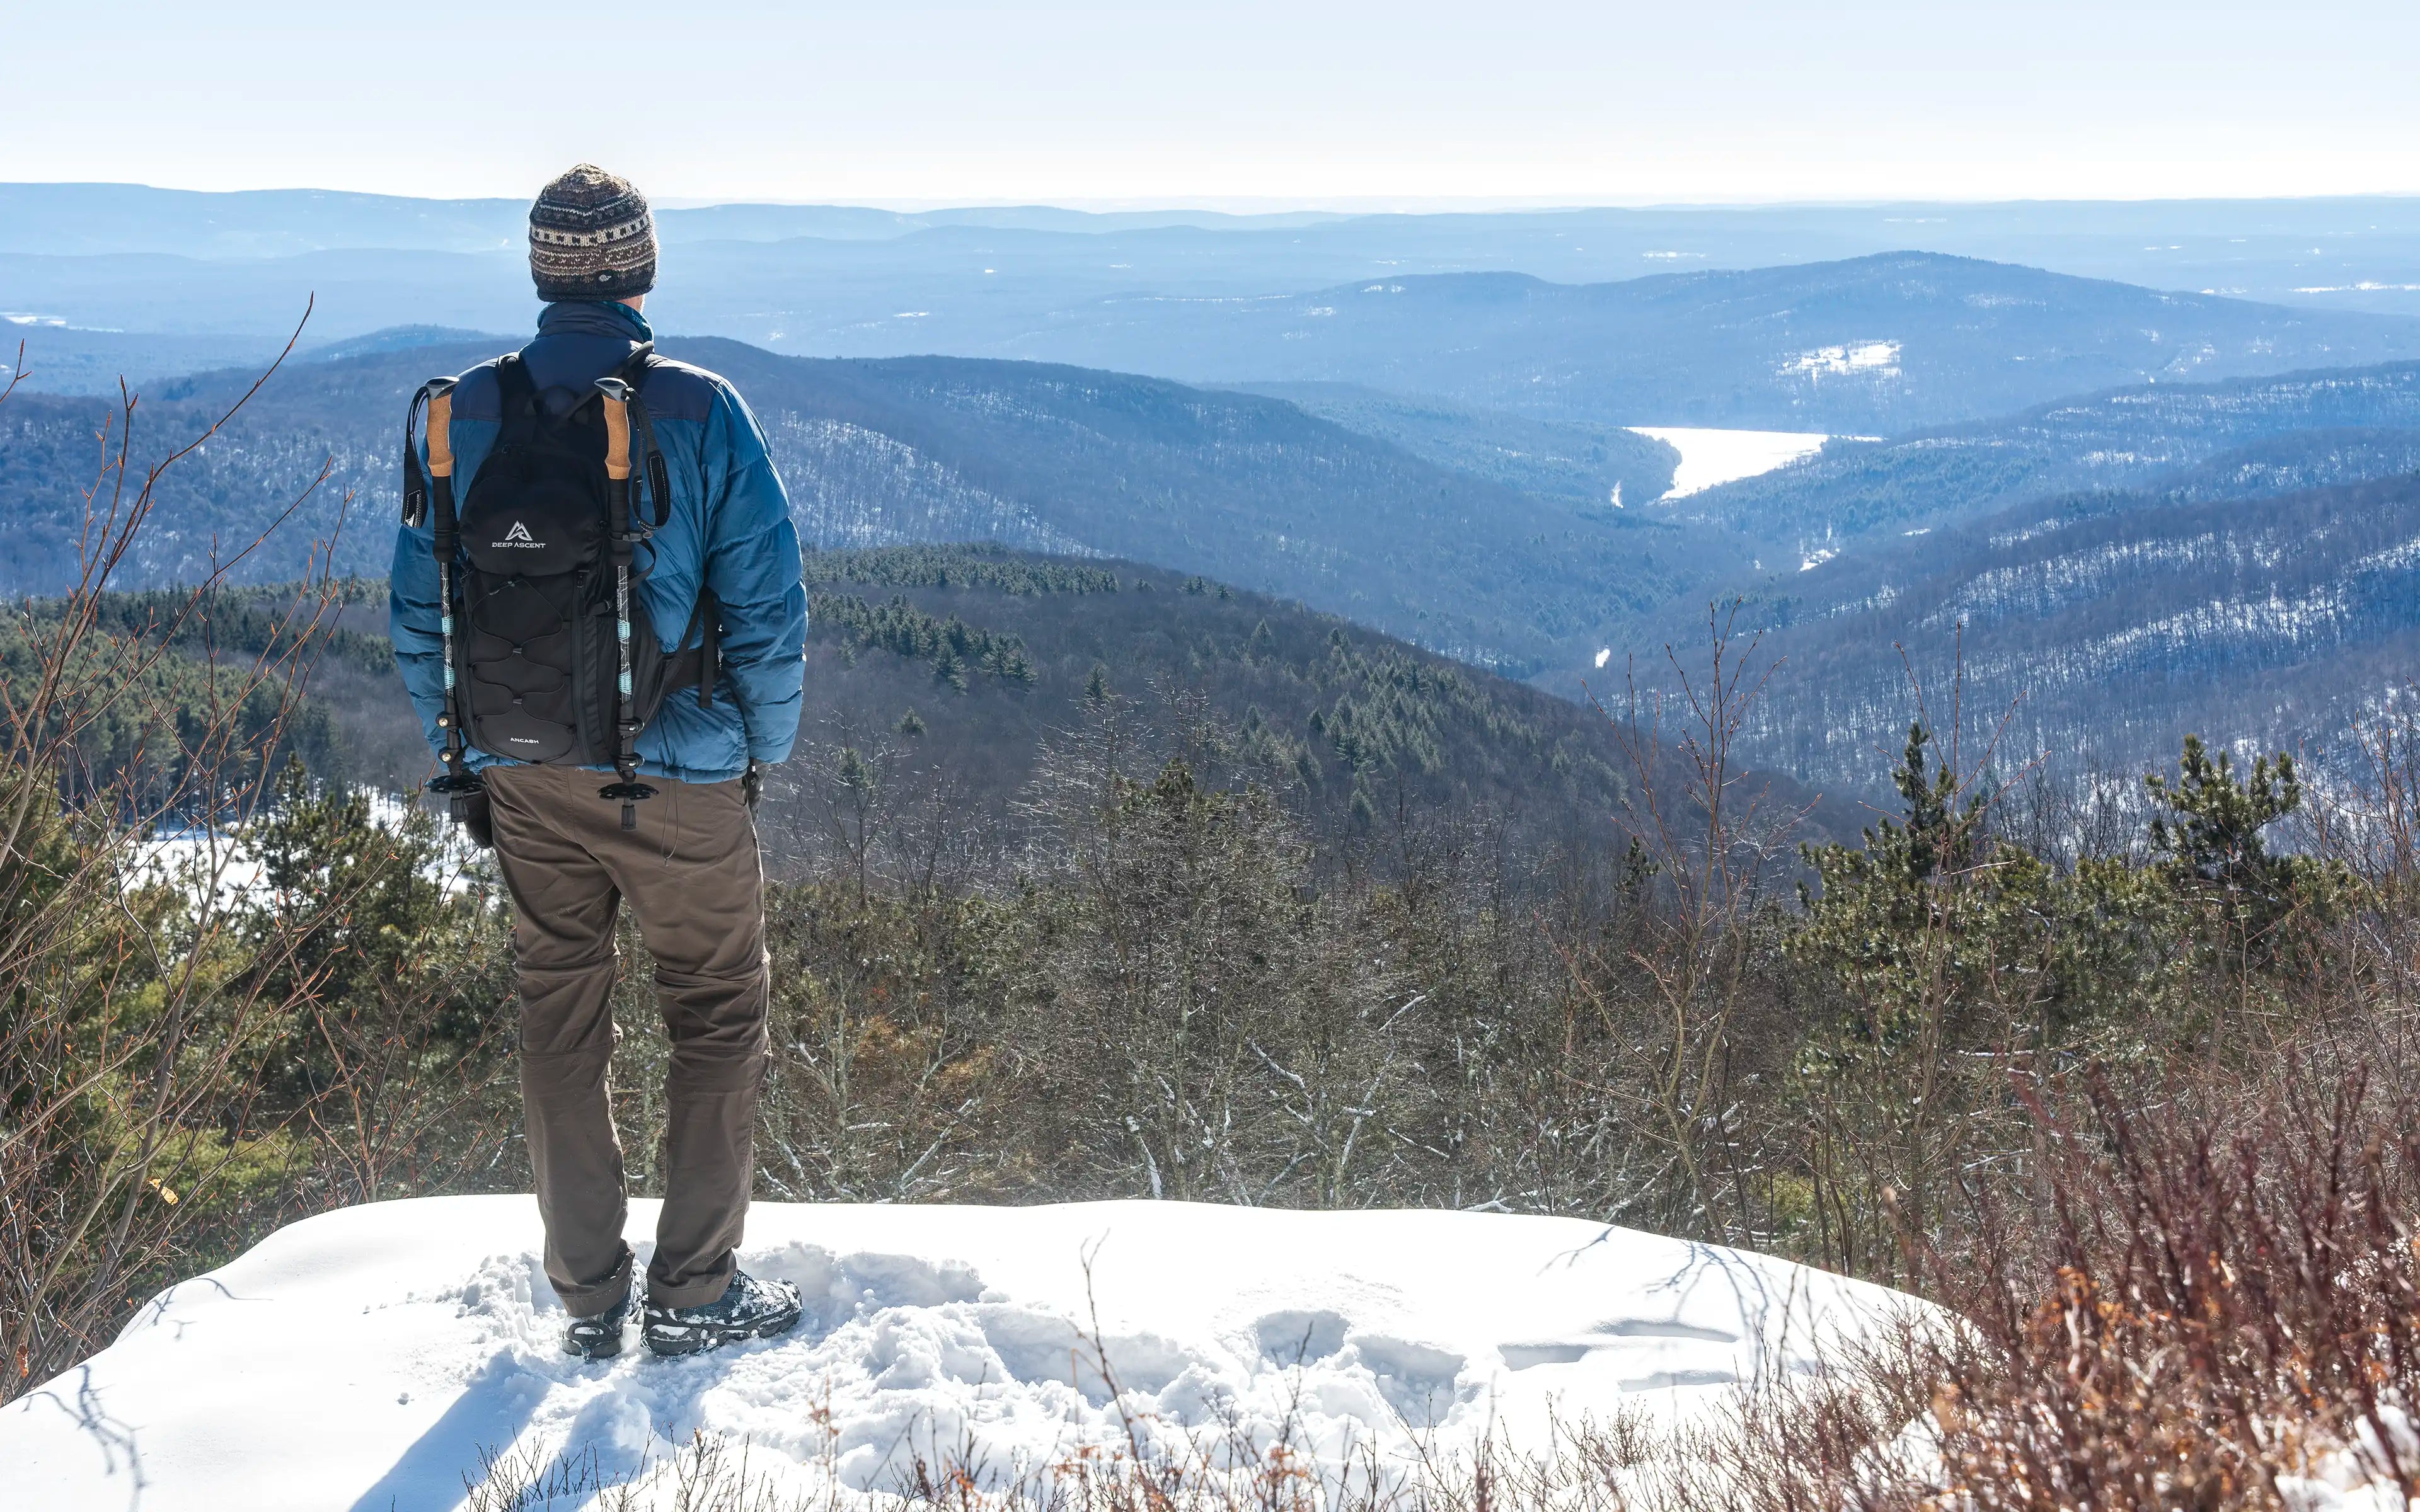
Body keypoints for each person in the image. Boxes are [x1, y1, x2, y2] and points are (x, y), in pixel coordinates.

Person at [390, 164, 808, 1360]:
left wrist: (461, 754)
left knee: (557, 1018)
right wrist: (752, 758)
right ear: (641, 269)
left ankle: (586, 1296)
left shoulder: (461, 411)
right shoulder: (695, 408)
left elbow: (422, 610)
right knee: (718, 1013)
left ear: (541, 273)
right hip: (679, 777)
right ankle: (692, 1294)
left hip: (523, 773)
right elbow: (770, 612)